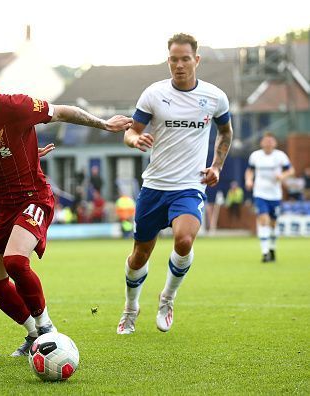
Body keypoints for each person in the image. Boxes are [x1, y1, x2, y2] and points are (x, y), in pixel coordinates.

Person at [0, 59, 133, 356]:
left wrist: (103, 123)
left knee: (14, 262)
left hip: (32, 196)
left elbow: (62, 111)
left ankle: (47, 328)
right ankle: (33, 333)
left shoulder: (15, 107)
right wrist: (25, 150)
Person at [116, 33, 234, 334]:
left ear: (196, 60)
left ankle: (167, 297)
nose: (179, 65)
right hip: (155, 186)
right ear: (168, 61)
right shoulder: (154, 94)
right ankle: (131, 307)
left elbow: (226, 133)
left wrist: (217, 167)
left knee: (184, 240)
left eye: (184, 59)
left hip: (189, 186)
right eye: (173, 60)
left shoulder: (215, 97)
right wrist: (134, 139)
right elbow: (130, 132)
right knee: (140, 254)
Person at [245, 132, 294, 263]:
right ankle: (265, 252)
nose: (268, 143)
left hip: (275, 195)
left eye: (270, 141)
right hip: (260, 193)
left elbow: (290, 170)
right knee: (263, 220)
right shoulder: (255, 156)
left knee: (273, 224)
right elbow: (250, 170)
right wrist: (249, 180)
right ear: (262, 143)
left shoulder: (280, 156)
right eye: (266, 141)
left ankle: (272, 248)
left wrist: (282, 176)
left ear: (275, 143)